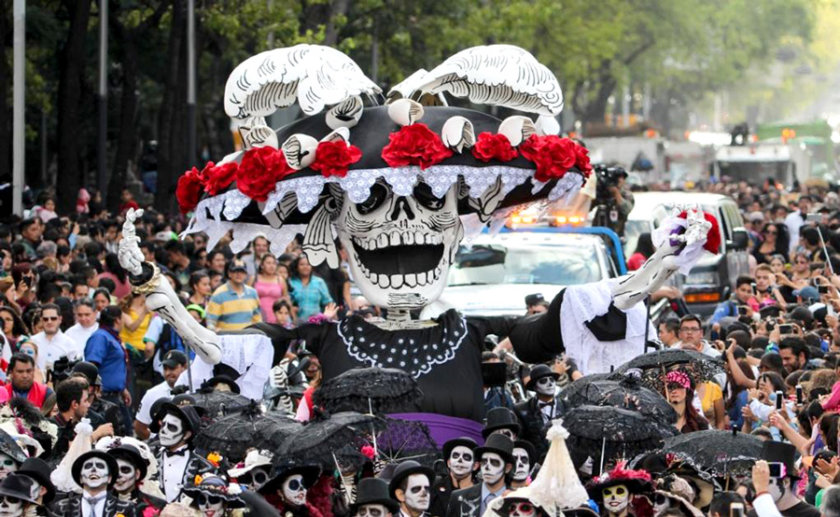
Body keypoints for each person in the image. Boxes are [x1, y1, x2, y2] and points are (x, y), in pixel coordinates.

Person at [151, 402, 216, 502]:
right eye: (163, 425)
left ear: (186, 435)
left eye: (172, 427)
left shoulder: (204, 467)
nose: (163, 430)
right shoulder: (150, 459)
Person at [85, 306, 132, 434]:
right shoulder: (100, 337)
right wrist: (93, 391)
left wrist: (122, 389)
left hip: (116, 395)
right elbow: (91, 365)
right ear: (118, 320)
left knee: (126, 433)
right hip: (104, 397)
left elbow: (113, 366)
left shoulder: (112, 337)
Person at [446, 434, 514, 517]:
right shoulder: (458, 498)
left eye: (494, 462)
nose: (487, 467)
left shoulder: (518, 499)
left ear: (507, 468)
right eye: (484, 461)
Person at [53, 450, 136, 517]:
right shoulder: (62, 507)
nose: (93, 469)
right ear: (81, 478)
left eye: (100, 466)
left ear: (109, 478)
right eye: (88, 466)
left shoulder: (125, 508)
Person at [50, 377, 112, 461]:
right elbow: (68, 451)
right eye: (85, 401)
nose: (89, 405)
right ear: (75, 404)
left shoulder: (79, 426)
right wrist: (96, 434)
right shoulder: (49, 428)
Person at [751, 444, 820, 517]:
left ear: (786, 482)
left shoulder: (812, 514)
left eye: (767, 482)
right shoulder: (756, 513)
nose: (760, 487)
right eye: (758, 482)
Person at [134, 350, 188, 439]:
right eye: (165, 369)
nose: (167, 373)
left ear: (185, 367)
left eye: (172, 368)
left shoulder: (193, 389)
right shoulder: (152, 393)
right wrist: (158, 440)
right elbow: (139, 428)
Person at [105, 443, 166, 514]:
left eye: (125, 470)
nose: (118, 475)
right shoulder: (98, 503)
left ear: (137, 474)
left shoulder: (157, 505)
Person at [514, 364, 559, 461]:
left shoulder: (567, 406)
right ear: (535, 387)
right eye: (543, 381)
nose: (550, 384)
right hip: (536, 463)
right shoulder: (521, 410)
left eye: (552, 380)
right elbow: (521, 441)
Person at [205, 259, 262, 331]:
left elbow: (257, 320)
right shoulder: (218, 294)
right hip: (226, 339)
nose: (239, 274)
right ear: (229, 273)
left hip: (248, 338)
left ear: (246, 274)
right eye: (235, 271)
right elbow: (210, 322)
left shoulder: (252, 293)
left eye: (242, 272)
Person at [431, 438, 477, 517]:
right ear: (449, 463)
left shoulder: (484, 491)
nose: (460, 460)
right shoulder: (434, 487)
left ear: (475, 466)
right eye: (455, 456)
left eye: (466, 457)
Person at [28, 303, 79, 373]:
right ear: (41, 320)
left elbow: (75, 369)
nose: (49, 322)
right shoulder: (32, 341)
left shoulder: (70, 343)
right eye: (45, 319)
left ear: (60, 319)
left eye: (53, 318)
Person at [288, 256, 333, 322]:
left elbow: (328, 302)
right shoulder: (291, 282)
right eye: (302, 264)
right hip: (295, 323)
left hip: (315, 323)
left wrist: (330, 318)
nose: (305, 267)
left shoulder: (319, 282)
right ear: (297, 267)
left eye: (308, 264)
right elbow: (286, 301)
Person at [252, 254, 289, 324]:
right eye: (268, 263)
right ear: (262, 265)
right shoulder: (254, 279)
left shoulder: (280, 280)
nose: (272, 266)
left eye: (274, 263)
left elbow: (285, 299)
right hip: (257, 316)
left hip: (277, 318)